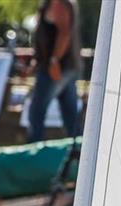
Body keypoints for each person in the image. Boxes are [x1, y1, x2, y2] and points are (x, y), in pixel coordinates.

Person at [27, 0, 81, 142]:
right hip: (63, 67)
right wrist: (37, 61)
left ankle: (34, 153)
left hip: (56, 69)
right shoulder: (50, 4)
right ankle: (79, 151)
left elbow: (64, 33)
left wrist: (54, 61)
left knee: (36, 112)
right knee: (70, 115)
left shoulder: (59, 4)